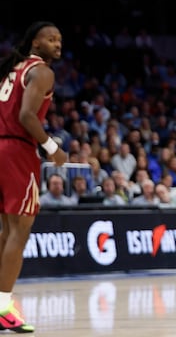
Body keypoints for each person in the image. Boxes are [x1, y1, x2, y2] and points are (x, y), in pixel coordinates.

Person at [0, 21, 67, 333]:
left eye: (59, 39)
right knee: (20, 231)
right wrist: (53, 148)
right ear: (35, 43)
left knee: (7, 231)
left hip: (2, 147)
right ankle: (2, 307)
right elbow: (27, 116)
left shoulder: (11, 69)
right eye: (50, 39)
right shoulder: (41, 71)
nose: (57, 43)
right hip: (17, 151)